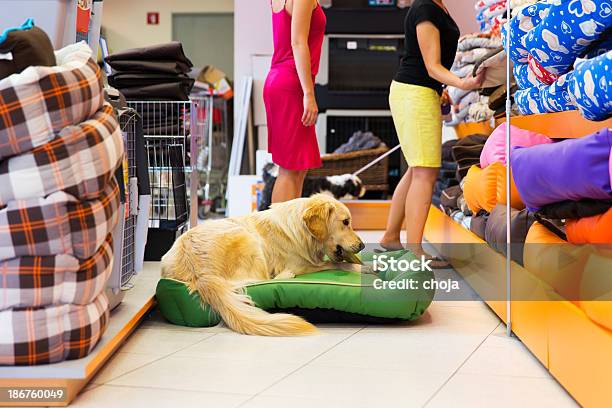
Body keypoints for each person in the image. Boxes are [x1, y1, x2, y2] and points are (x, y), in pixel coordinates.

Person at [380, 0, 484, 266]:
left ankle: (391, 237)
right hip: (414, 92)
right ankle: (415, 252)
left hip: (417, 91)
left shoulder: (436, 6)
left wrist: (444, 88)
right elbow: (431, 66)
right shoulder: (425, 8)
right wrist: (463, 83)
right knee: (425, 172)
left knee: (417, 170)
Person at [264, 0, 326, 203]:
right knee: (290, 170)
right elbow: (298, 42)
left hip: (280, 79)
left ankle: (288, 232)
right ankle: (278, 234)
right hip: (291, 84)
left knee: (297, 168)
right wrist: (308, 93)